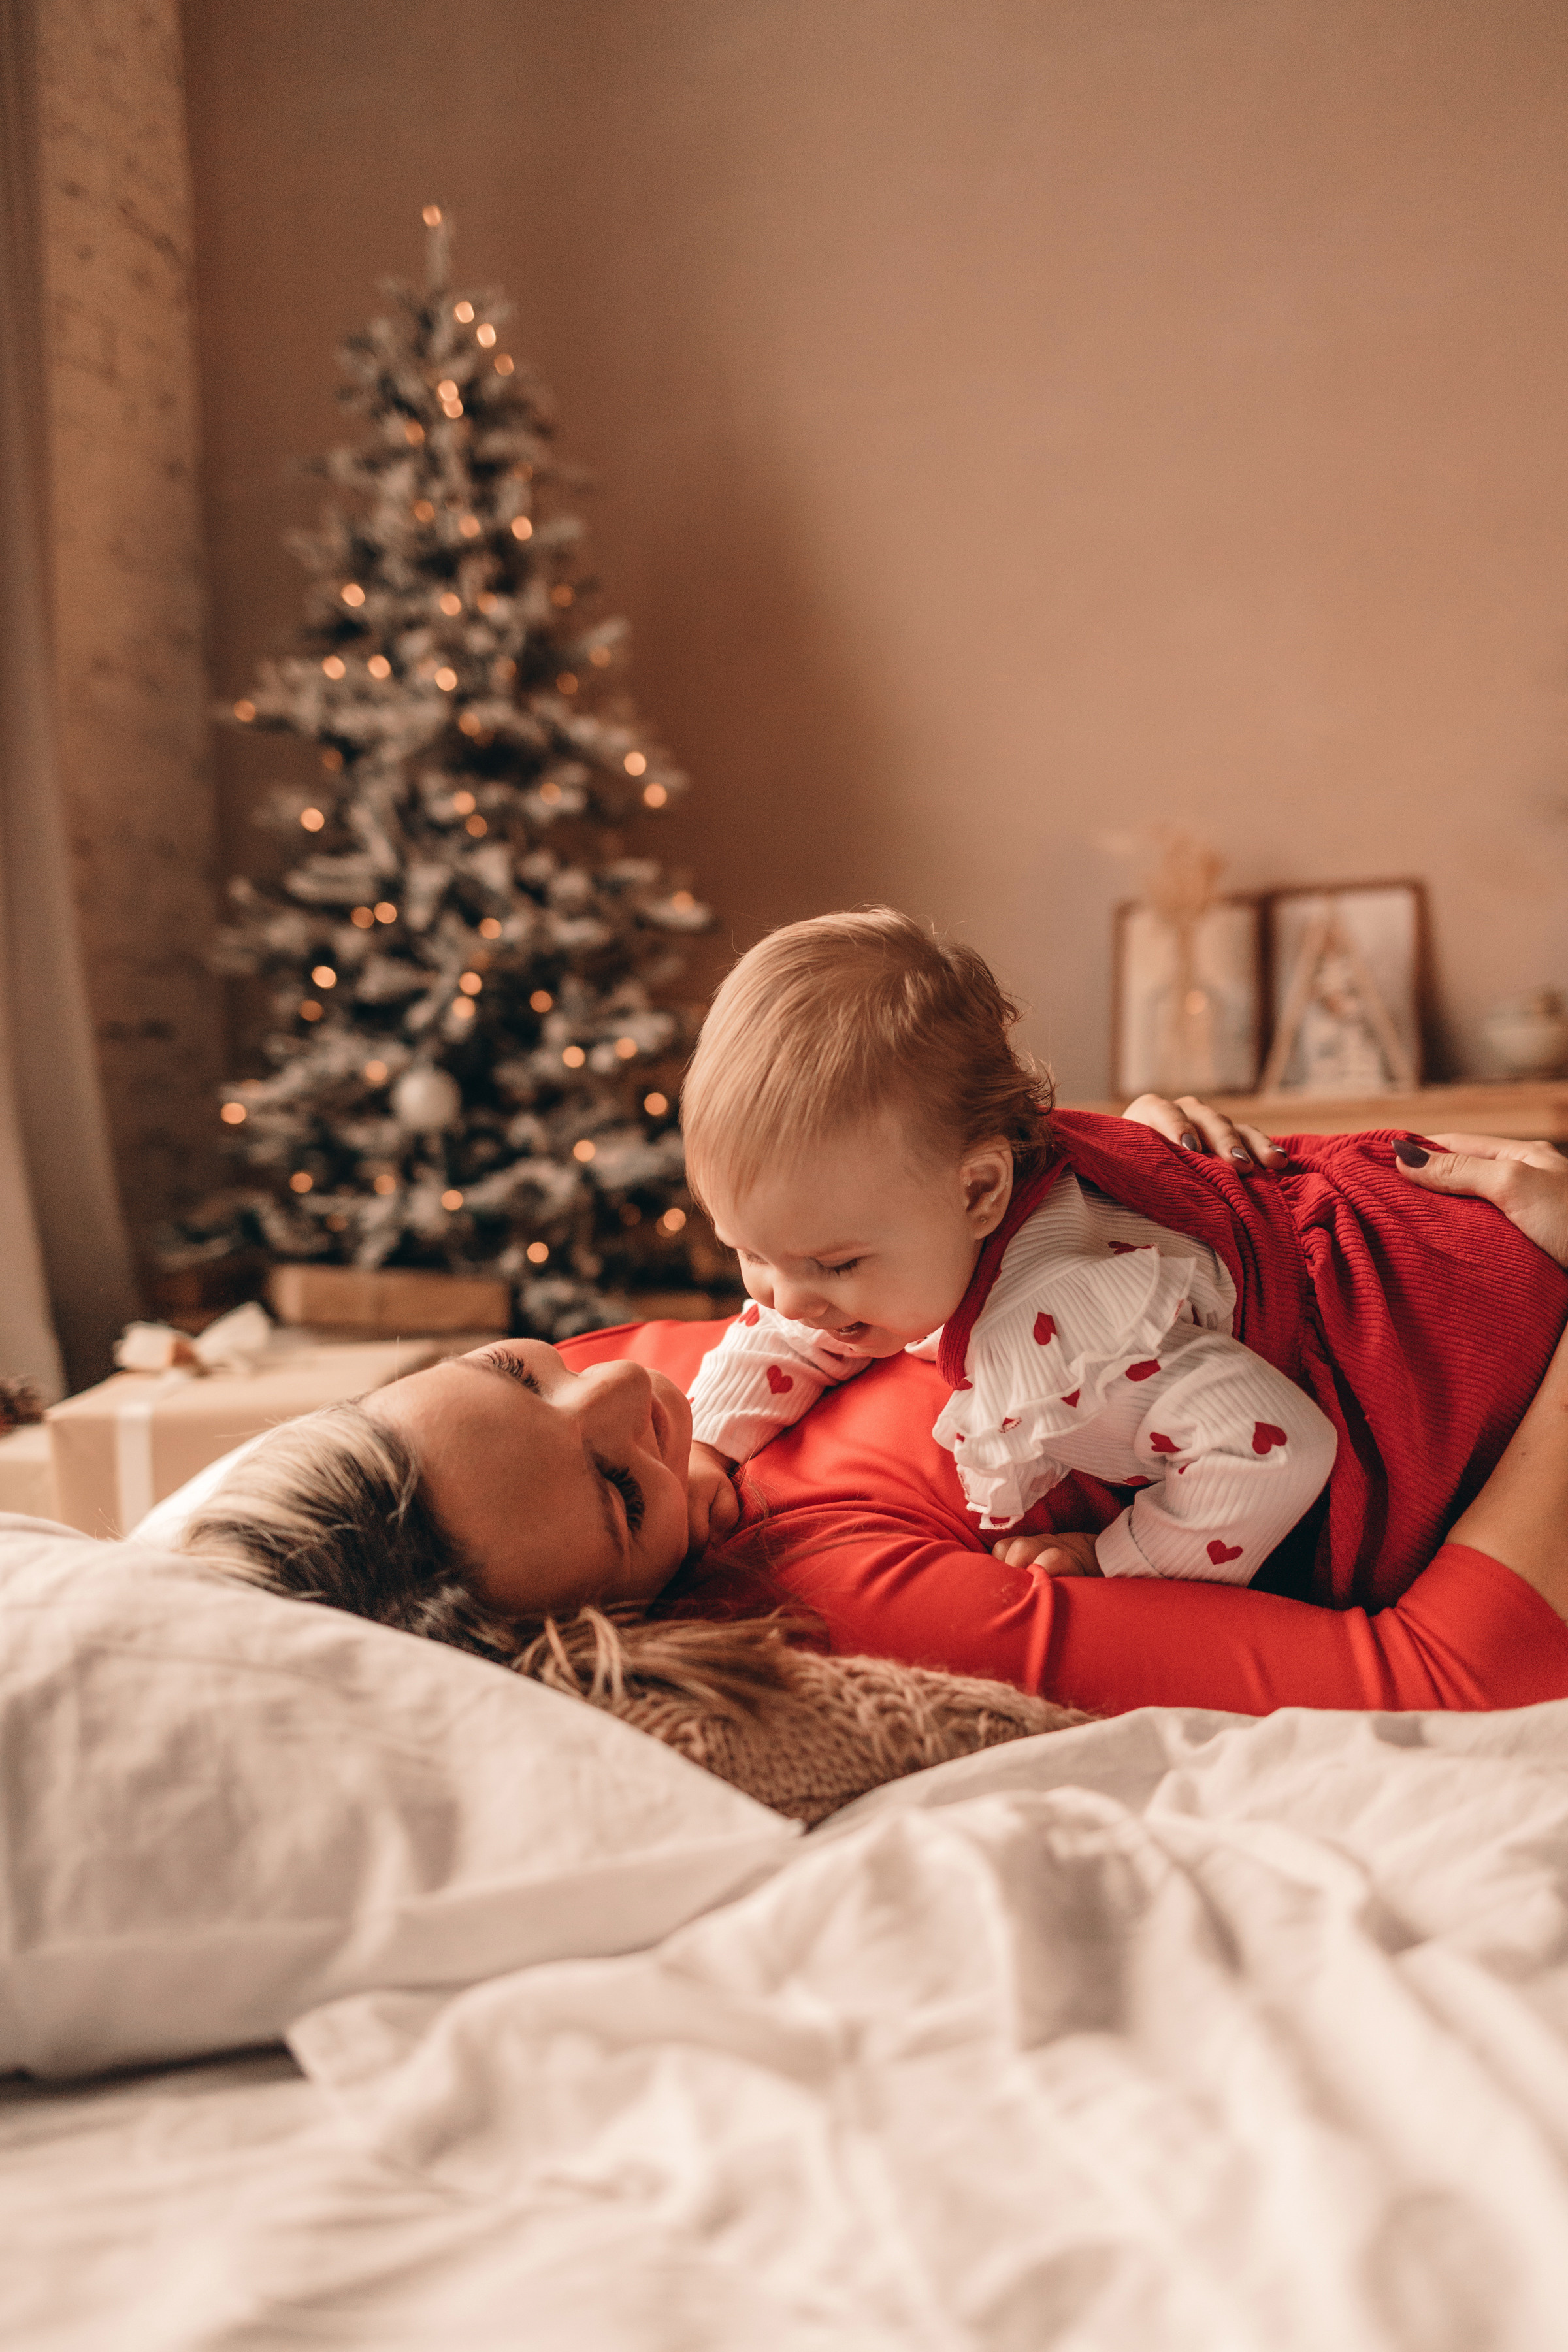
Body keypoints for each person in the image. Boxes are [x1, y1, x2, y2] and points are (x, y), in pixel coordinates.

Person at [178, 1110, 1568, 1722]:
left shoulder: (611, 1389)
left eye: (509, 1370)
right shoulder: (843, 1589)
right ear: (606, 1630)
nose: (625, 1388)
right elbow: (1451, 1677)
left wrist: (1109, 1176)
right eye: (620, 1494)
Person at [678, 909, 1567, 1611]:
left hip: (1446, 1322)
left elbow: (1275, 1450)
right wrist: (706, 1443)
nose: (786, 1299)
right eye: (749, 1253)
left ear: (981, 1191)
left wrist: (1120, 1558)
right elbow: (798, 1327)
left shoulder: (1054, 1317)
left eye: (834, 1266)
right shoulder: (929, 1204)